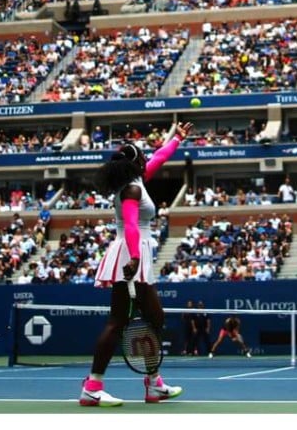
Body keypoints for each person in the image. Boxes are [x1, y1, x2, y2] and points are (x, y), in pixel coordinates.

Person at [79, 121, 192, 407]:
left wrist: (177, 139)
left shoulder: (138, 181)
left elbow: (160, 157)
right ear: (134, 162)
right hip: (130, 254)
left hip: (135, 253)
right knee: (119, 321)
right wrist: (136, 258)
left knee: (154, 317)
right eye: (141, 155)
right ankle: (93, 387)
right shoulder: (130, 190)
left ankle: (154, 383)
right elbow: (130, 224)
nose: (146, 157)